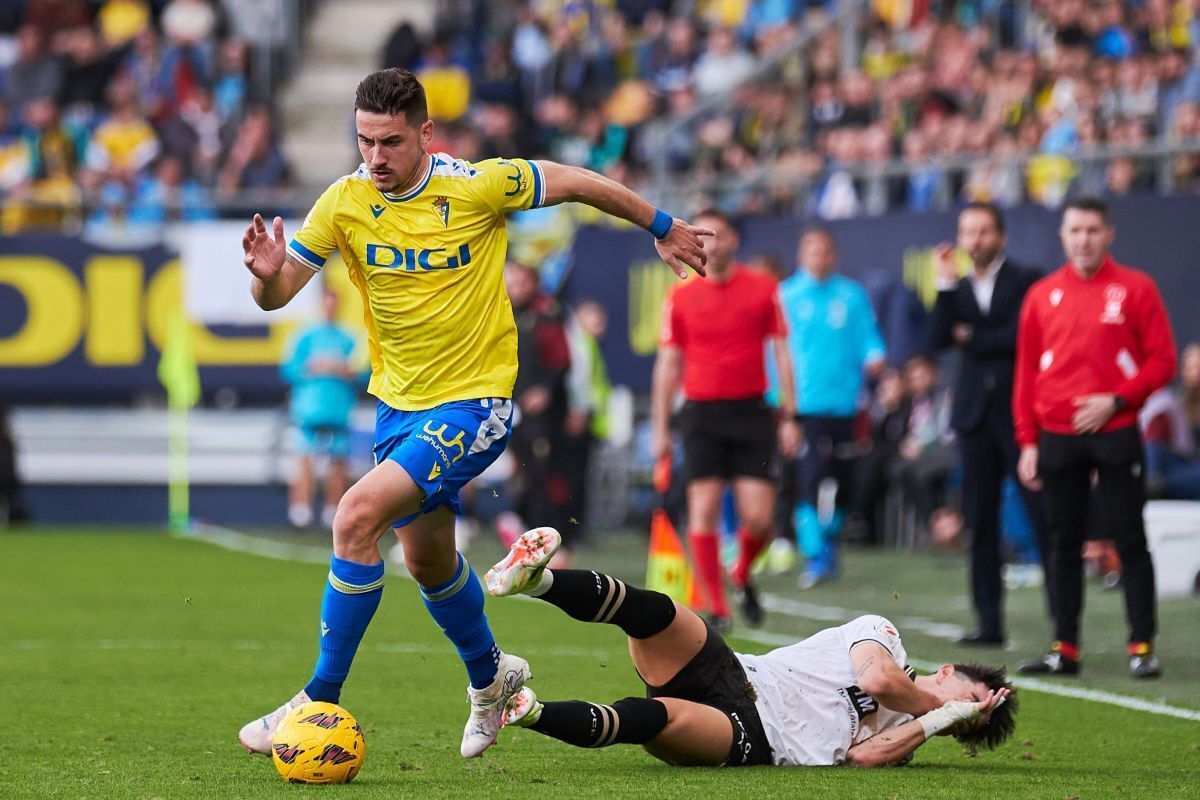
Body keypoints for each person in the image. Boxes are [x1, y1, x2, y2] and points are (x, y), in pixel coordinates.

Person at [236, 68, 712, 759]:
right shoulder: (343, 201)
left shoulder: (478, 185)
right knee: (429, 562)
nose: (375, 157)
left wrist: (661, 225)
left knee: (354, 516)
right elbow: (279, 293)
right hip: (398, 409)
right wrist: (264, 277)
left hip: (474, 403)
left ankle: (318, 696)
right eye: (365, 140)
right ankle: (492, 678)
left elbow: (575, 181)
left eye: (391, 142)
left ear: (426, 133)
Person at [484, 527, 1015, 768]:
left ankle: (527, 712)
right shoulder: (885, 638)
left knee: (658, 717)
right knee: (660, 614)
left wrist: (935, 721)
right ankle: (538, 581)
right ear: (948, 672)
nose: (963, 715)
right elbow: (877, 680)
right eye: (972, 701)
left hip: (757, 736)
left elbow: (861, 756)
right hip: (738, 674)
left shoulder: (909, 740)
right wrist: (939, 709)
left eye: (969, 723)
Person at [1014, 196, 1177, 679]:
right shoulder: (1041, 295)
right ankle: (1064, 648)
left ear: (1109, 235)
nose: (1083, 239)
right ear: (1062, 236)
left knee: (1130, 539)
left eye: (1092, 230)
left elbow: (1163, 361)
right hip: (1056, 436)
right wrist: (1027, 441)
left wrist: (1117, 400)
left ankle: (1142, 646)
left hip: (1117, 432)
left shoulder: (1137, 288)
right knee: (1062, 544)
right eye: (1075, 230)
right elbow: (1026, 374)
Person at [651, 209, 800, 630]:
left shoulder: (764, 288)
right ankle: (718, 609)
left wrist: (791, 415)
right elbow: (667, 364)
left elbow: (782, 353)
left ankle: (741, 572)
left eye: (715, 233)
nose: (707, 242)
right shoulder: (679, 295)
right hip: (701, 414)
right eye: (699, 234)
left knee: (761, 520)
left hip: (752, 412)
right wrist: (661, 428)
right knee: (703, 510)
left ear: (734, 239)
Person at [930, 201, 1052, 647]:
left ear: (1001, 235)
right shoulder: (957, 288)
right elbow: (938, 338)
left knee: (1043, 518)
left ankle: (1063, 628)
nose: (976, 240)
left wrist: (972, 337)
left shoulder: (1027, 279)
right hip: (974, 418)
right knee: (980, 523)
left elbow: (1021, 337)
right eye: (968, 231)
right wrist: (944, 286)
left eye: (983, 231)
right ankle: (989, 624)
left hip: (1020, 416)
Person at [778, 226, 886, 588]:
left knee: (845, 481)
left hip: (846, 404)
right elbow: (775, 353)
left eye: (825, 251)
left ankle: (829, 541)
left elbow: (868, 337)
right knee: (808, 479)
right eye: (813, 251)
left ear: (834, 256)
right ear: (801, 256)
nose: (820, 258)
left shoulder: (851, 295)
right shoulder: (786, 296)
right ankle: (816, 554)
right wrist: (782, 405)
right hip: (805, 405)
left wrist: (875, 356)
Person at [280, 285, 362, 529]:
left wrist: (345, 370)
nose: (329, 308)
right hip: (309, 410)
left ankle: (333, 511)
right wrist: (313, 367)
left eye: (333, 303)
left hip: (338, 410)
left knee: (338, 461)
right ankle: (300, 511)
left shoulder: (349, 338)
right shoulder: (305, 336)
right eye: (326, 303)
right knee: (305, 459)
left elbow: (364, 373)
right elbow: (288, 370)